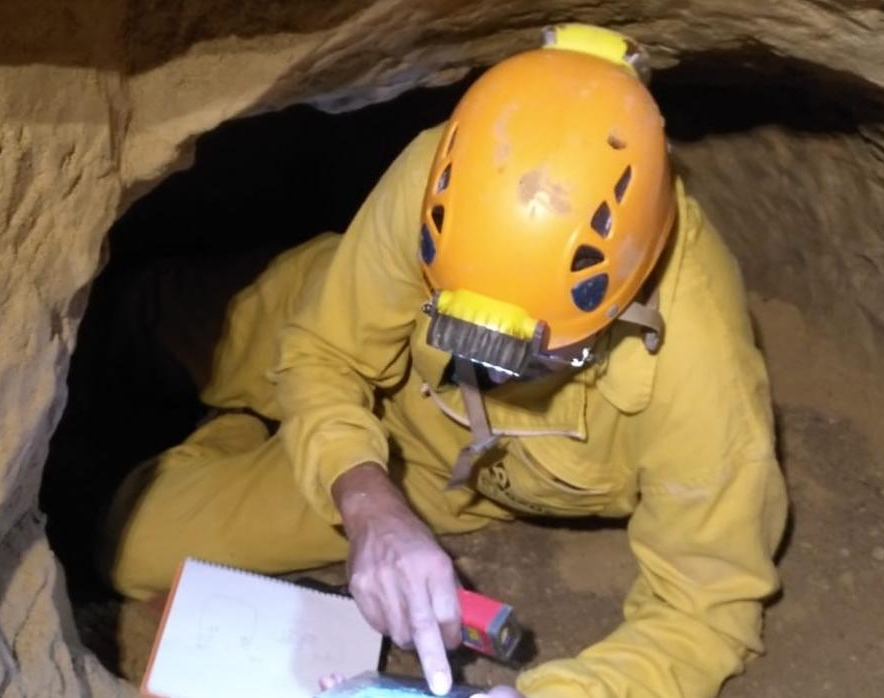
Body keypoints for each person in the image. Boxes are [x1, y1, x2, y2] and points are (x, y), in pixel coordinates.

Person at [98, 23, 788, 698]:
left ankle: (231, 427)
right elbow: (320, 351)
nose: (493, 372)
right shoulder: (447, 177)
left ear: (625, 306)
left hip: (434, 467)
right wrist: (368, 507)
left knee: (126, 549)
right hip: (337, 327)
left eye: (529, 355)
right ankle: (229, 395)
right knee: (143, 322)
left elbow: (706, 612)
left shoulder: (703, 370)